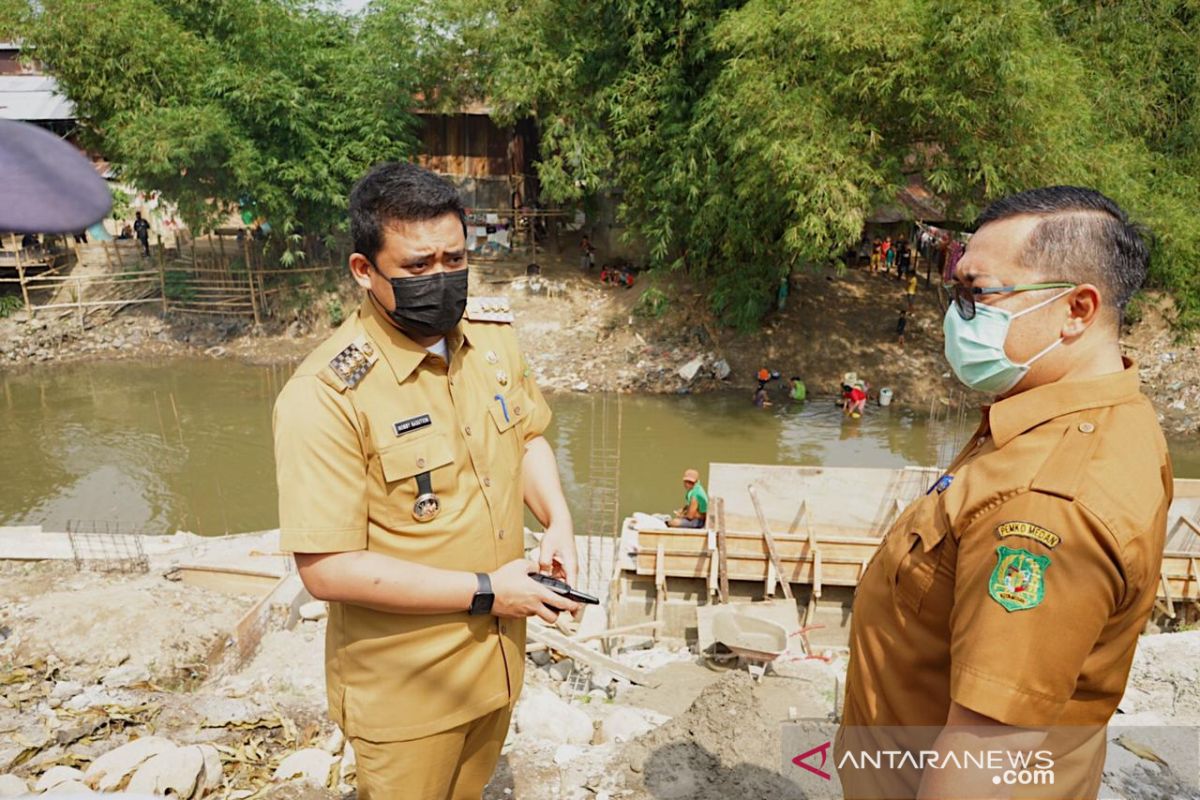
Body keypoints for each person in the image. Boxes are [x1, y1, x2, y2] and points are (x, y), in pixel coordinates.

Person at [837, 186, 1171, 800]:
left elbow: (987, 757)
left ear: (1077, 310)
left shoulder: (1044, 503)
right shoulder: (1093, 414)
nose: (958, 313)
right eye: (956, 291)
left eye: (980, 294)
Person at [272, 162, 581, 800]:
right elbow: (327, 569)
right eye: (417, 267)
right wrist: (490, 591)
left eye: (454, 258)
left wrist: (558, 520)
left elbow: (526, 437)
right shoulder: (327, 394)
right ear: (365, 271)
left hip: (497, 664)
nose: (441, 279)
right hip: (407, 692)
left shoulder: (492, 342)